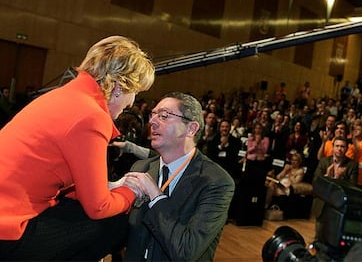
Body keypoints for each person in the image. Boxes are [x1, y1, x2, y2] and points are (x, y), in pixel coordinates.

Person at [0, 36, 155, 260]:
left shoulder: (63, 96)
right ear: (120, 87)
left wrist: (111, 186)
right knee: (115, 224)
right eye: (136, 92)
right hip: (9, 232)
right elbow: (98, 207)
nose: (132, 103)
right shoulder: (91, 116)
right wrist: (132, 191)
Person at [124, 92, 235, 261]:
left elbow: (186, 251)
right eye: (153, 115)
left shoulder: (216, 182)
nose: (152, 121)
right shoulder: (141, 167)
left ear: (191, 128)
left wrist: (155, 196)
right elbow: (121, 233)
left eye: (163, 116)